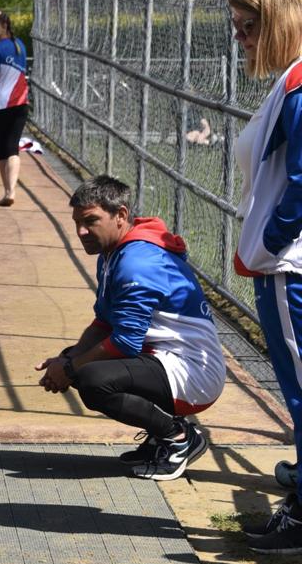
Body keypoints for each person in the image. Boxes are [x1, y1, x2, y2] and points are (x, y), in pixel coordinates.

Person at [35, 175, 224, 482]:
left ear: (121, 215)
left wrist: (70, 369)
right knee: (78, 359)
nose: (82, 232)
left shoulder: (136, 262)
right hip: (164, 358)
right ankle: (161, 432)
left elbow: (124, 344)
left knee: (92, 379)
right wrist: (65, 360)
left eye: (91, 221)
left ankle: (178, 439)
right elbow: (104, 323)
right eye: (77, 223)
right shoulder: (113, 252)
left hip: (192, 374)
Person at [228, 0, 302, 554]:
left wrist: (267, 246)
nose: (240, 37)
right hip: (282, 262)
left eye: (248, 25)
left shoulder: (300, 85)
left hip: (289, 266)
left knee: (301, 386)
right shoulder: (292, 78)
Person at [0, 9, 29, 206]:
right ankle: (9, 191)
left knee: (4, 149)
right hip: (21, 104)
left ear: (4, 26)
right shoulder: (19, 45)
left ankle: (9, 191)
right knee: (12, 148)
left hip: (1, 105)